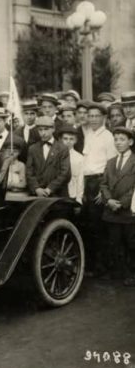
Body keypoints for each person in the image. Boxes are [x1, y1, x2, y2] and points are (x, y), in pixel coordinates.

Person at [81, 102, 117, 275]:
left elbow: (111, 166)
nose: (93, 119)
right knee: (87, 224)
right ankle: (91, 265)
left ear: (104, 118)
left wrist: (104, 191)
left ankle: (102, 267)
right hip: (86, 182)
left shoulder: (108, 137)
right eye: (91, 116)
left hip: (99, 182)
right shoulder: (88, 134)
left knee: (99, 226)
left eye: (97, 116)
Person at [100, 127, 135, 286]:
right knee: (115, 242)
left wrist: (122, 203)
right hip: (111, 208)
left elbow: (133, 188)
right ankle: (120, 271)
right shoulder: (111, 162)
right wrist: (109, 201)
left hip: (127, 210)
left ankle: (131, 273)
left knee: (130, 242)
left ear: (130, 141)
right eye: (116, 139)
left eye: (122, 139)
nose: (118, 142)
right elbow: (104, 184)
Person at [26, 116, 71, 198]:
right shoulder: (33, 148)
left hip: (57, 194)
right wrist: (36, 188)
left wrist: (49, 189)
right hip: (37, 194)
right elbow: (29, 172)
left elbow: (65, 173)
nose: (43, 133)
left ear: (53, 129)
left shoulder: (62, 148)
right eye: (40, 130)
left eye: (46, 129)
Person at [58, 125, 84, 204]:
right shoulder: (55, 155)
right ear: (60, 140)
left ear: (75, 140)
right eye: (65, 139)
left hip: (71, 193)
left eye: (71, 139)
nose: (68, 141)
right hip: (56, 192)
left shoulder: (79, 157)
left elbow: (80, 179)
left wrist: (79, 197)